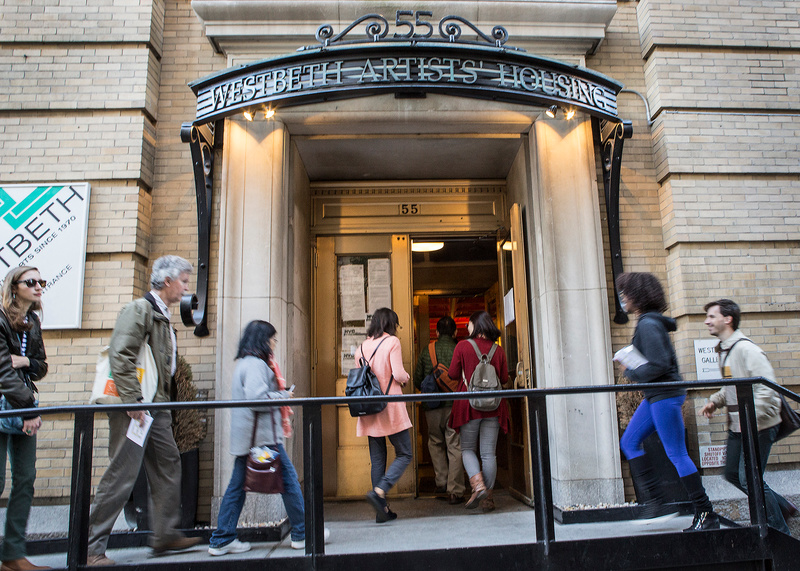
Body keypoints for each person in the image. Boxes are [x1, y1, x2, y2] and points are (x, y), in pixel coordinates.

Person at [87, 256, 200, 566]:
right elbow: (120, 356)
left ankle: (165, 535)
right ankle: (91, 547)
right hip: (136, 407)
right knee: (122, 473)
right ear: (167, 282)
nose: (187, 287)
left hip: (157, 407)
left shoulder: (161, 313)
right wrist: (134, 401)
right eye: (184, 281)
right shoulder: (140, 309)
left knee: (168, 465)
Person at [209, 320, 328, 554]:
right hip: (262, 440)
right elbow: (258, 399)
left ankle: (222, 537)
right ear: (263, 339)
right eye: (272, 338)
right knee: (289, 482)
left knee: (237, 487)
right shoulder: (255, 365)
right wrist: (282, 395)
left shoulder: (245, 362)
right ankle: (303, 533)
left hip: (250, 439)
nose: (274, 343)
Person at [616, 272, 718, 531]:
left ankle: (706, 513)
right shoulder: (648, 323)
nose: (622, 298)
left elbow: (660, 364)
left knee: (677, 453)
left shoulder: (648, 325)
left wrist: (631, 371)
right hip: (657, 396)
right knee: (629, 442)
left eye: (625, 293)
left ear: (637, 295)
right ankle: (656, 503)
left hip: (665, 396)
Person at [700, 299, 796, 534]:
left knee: (749, 479)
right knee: (732, 473)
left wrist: (750, 417)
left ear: (728, 319)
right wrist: (715, 401)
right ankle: (782, 507)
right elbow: (733, 386)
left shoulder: (746, 349)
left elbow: (768, 388)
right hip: (738, 425)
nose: (706, 321)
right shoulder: (725, 350)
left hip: (759, 425)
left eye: (712, 316)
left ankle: (780, 531)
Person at [0, 267, 50, 571]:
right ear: (14, 287)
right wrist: (29, 408)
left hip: (21, 406)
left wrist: (27, 360)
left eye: (41, 282)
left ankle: (13, 554)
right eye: (31, 282)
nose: (38, 287)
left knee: (25, 479)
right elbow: (3, 372)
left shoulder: (33, 322)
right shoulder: (1, 319)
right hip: (13, 405)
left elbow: (41, 367)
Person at [447, 311, 509, 512]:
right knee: (489, 454)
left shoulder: (463, 346)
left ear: (475, 326)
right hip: (493, 405)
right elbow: (505, 378)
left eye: (469, 324)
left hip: (469, 406)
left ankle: (478, 485)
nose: (467, 328)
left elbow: (453, 374)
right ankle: (488, 499)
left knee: (466, 449)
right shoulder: (497, 350)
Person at [359, 308, 412, 523]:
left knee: (377, 458)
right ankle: (380, 490)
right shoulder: (392, 342)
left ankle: (382, 510)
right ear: (391, 324)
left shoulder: (362, 346)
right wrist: (406, 378)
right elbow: (398, 374)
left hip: (370, 407)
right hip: (389, 406)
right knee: (405, 453)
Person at [413, 316, 465, 504]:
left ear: (436, 333)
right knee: (454, 444)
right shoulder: (459, 349)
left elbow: (418, 378)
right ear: (455, 332)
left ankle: (441, 482)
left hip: (432, 406)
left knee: (435, 442)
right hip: (455, 405)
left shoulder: (427, 350)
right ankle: (455, 490)